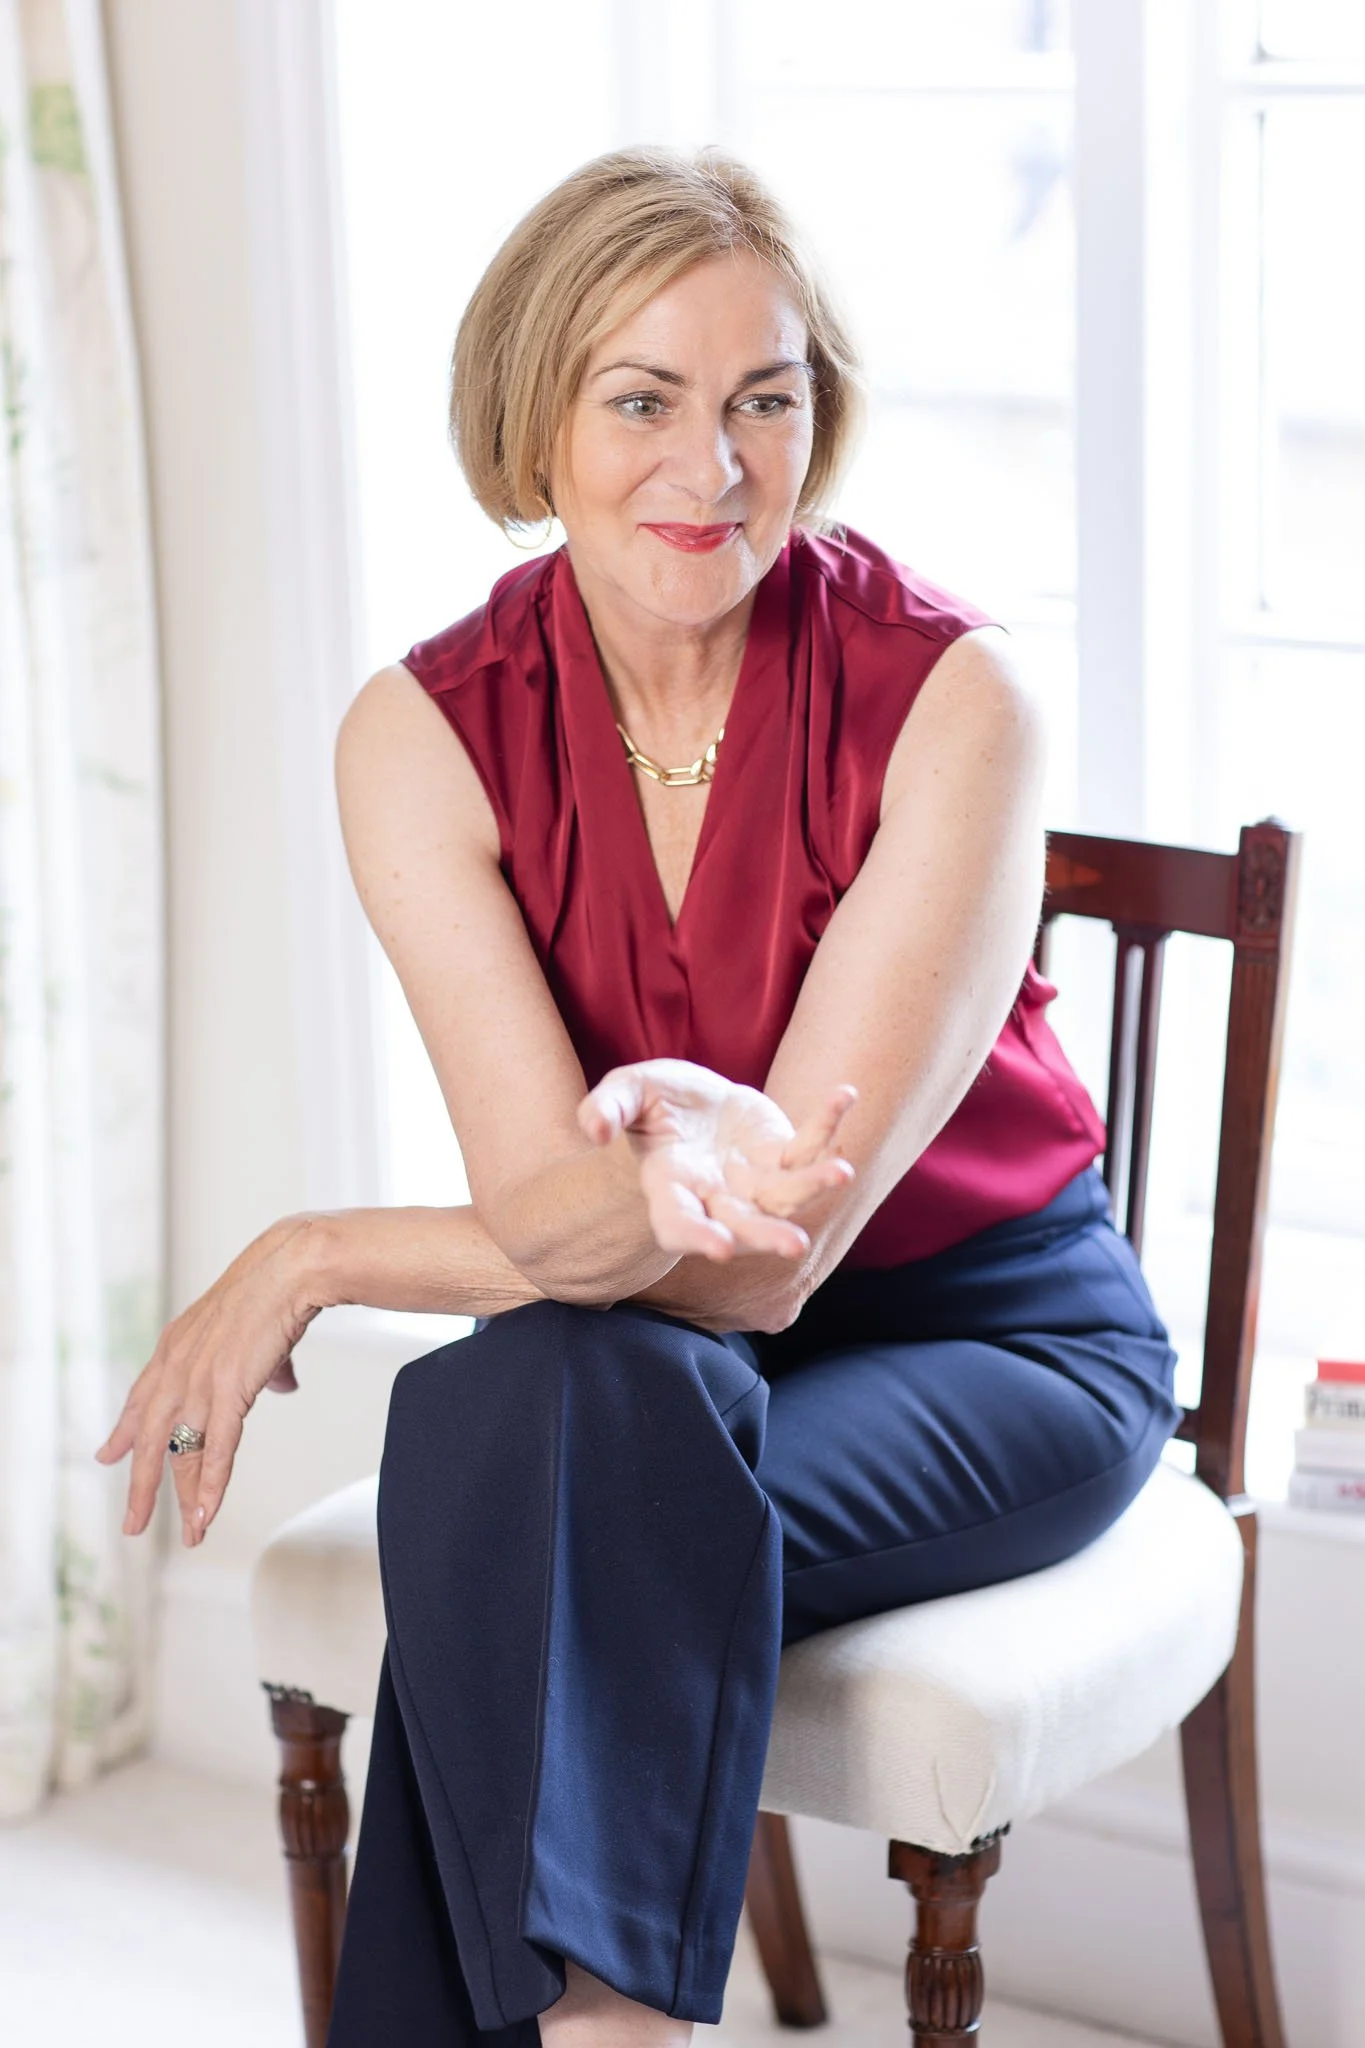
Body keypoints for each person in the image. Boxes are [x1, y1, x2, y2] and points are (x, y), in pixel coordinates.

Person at [95, 147, 1182, 2047]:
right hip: (636, 1341)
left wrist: (318, 1252)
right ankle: (614, 2031)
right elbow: (551, 1211)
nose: (717, 467)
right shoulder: (426, 733)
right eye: (644, 401)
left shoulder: (954, 700)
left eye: (767, 399)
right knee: (540, 1414)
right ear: (535, 423)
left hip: (988, 1338)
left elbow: (762, 1265)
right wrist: (599, 1203)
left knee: (513, 1454)